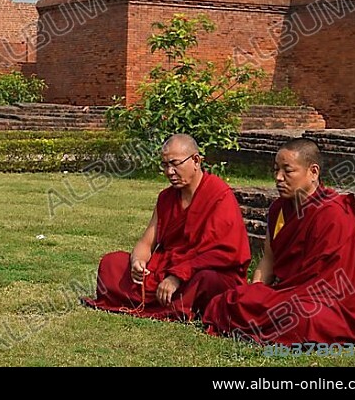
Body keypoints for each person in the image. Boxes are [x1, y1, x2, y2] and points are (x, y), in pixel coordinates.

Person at [202, 138, 355, 345]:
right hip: (286, 295)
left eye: (287, 171)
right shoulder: (278, 209)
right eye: (276, 170)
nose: (279, 178)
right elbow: (268, 259)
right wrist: (255, 291)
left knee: (307, 318)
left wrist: (271, 300)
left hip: (324, 303)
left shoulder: (333, 212)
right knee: (231, 300)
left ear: (313, 172)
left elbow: (331, 284)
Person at [81, 134, 251, 322]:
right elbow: (147, 242)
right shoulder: (166, 198)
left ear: (196, 160)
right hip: (166, 269)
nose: (170, 171)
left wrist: (177, 277)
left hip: (199, 273)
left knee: (207, 280)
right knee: (112, 263)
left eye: (175, 164)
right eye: (165, 165)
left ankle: (170, 303)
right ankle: (167, 303)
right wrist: (138, 262)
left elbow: (225, 253)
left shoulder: (219, 195)